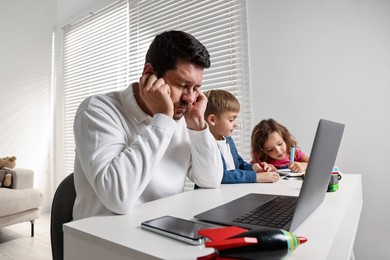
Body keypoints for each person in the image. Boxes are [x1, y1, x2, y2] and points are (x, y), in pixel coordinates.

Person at [72, 30, 223, 220]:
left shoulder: (184, 117)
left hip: (166, 228)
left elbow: (210, 180)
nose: (190, 98)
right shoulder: (97, 110)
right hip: (103, 239)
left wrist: (198, 125)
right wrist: (162, 120)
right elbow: (118, 198)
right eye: (182, 85)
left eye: (196, 88)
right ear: (150, 73)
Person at [204, 90, 280, 184]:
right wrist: (256, 177)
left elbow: (239, 164)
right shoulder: (206, 145)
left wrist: (253, 168)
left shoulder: (227, 139)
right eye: (231, 120)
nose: (235, 124)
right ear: (212, 119)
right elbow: (220, 176)